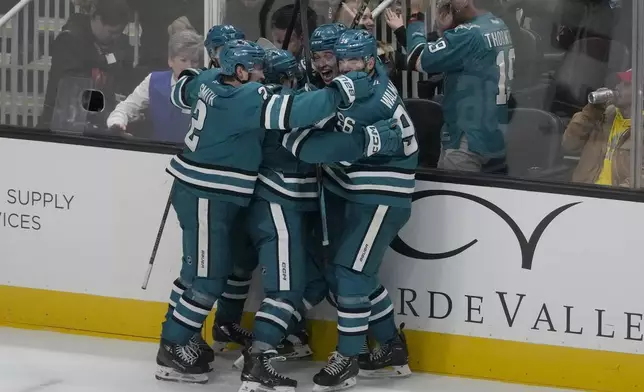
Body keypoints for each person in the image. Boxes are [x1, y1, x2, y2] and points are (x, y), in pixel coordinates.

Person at [156, 38, 375, 384]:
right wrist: (339, 92)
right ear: (240, 72)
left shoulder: (211, 81)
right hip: (207, 195)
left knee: (199, 274)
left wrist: (198, 72)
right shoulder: (246, 97)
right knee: (208, 278)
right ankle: (173, 346)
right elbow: (297, 112)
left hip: (201, 191)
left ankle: (184, 339)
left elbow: (181, 88)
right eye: (257, 69)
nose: (262, 76)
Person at [283, 29, 417, 391]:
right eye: (340, 60)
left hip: (380, 196)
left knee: (350, 274)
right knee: (359, 274)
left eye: (352, 61)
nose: (343, 68)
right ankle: (390, 348)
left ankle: (348, 360)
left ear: (370, 62)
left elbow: (308, 148)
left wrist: (300, 125)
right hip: (357, 190)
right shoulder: (368, 81)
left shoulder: (364, 102)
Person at [407, 0, 514, 172]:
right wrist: (447, 30)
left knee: (454, 197)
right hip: (492, 132)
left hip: (466, 138)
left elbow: (418, 59)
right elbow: (463, 58)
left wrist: (415, 17)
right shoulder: (498, 25)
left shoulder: (469, 34)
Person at [40, 0, 132, 129]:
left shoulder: (115, 44)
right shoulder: (69, 41)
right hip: (65, 122)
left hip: (98, 120)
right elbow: (73, 87)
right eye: (111, 32)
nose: (115, 37)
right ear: (97, 19)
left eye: (119, 33)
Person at [106, 29, 203, 142]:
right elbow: (126, 107)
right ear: (170, 61)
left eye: (194, 61)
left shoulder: (207, 86)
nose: (189, 66)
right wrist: (117, 124)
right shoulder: (153, 80)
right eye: (183, 60)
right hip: (156, 154)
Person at [562, 69, 635, 187]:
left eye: (626, 85)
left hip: (617, 199)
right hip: (583, 192)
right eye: (619, 82)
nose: (618, 87)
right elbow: (569, 144)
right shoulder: (604, 116)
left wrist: (613, 198)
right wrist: (591, 111)